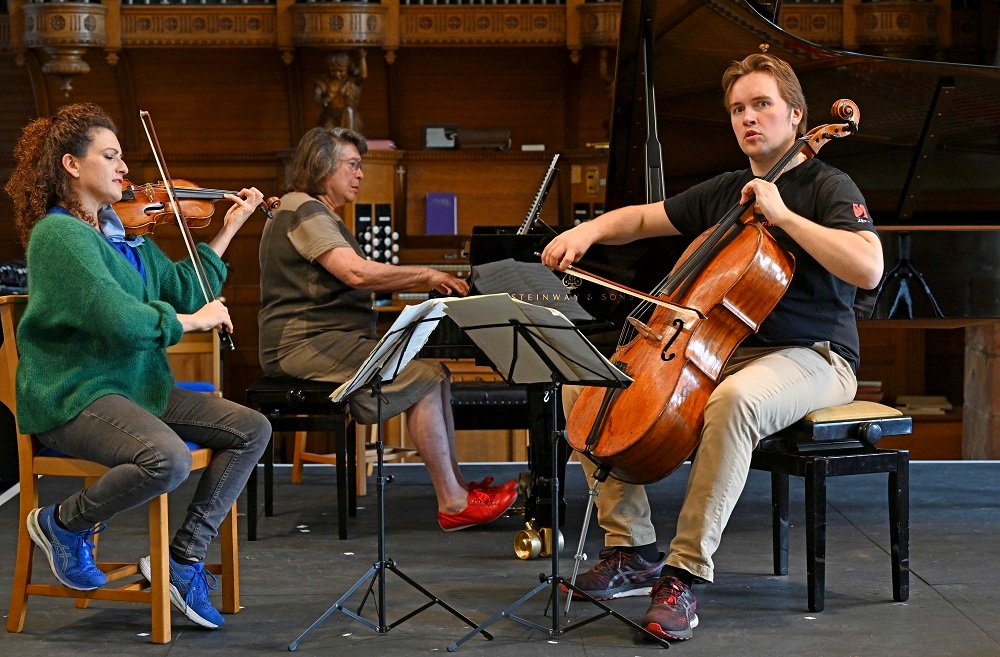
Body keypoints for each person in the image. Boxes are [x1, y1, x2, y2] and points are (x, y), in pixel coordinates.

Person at [541, 54, 883, 641]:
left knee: (736, 402)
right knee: (592, 383)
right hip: (729, 351)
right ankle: (633, 548)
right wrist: (588, 230)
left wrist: (783, 217)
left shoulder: (828, 185)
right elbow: (644, 219)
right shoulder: (729, 190)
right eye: (737, 109)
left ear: (796, 116)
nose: (748, 118)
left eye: (762, 105)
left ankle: (683, 577)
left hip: (815, 355)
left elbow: (870, 268)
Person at [5, 103, 272, 630]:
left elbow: (183, 287)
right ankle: (64, 524)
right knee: (167, 460)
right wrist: (194, 322)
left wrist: (228, 230)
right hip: (74, 395)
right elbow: (120, 320)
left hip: (132, 388)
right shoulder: (58, 237)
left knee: (250, 427)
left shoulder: (122, 236)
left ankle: (180, 561)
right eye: (110, 156)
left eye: (123, 156)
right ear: (71, 165)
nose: (125, 169)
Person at [257, 126, 518, 531]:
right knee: (424, 377)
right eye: (353, 165)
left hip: (328, 338)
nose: (360, 174)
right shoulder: (303, 208)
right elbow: (356, 273)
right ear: (322, 166)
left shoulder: (310, 209)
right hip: (302, 342)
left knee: (437, 374)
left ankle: (461, 489)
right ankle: (452, 502)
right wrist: (427, 274)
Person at [315, 49, 366, 132]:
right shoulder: (325, 82)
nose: (337, 74)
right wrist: (322, 100)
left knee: (348, 114)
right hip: (330, 115)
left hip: (348, 115)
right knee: (327, 136)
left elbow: (363, 75)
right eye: (333, 71)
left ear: (348, 68)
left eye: (341, 70)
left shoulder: (351, 81)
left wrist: (362, 58)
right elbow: (317, 96)